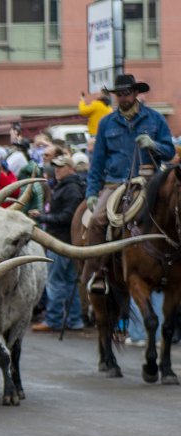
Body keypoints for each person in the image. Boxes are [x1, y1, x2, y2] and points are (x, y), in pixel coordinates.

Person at [82, 74, 174, 293]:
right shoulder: (106, 123)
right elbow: (97, 162)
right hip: (115, 184)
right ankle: (98, 273)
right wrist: (92, 193)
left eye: (126, 93)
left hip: (150, 181)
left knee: (173, 211)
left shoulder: (155, 119)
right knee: (96, 221)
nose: (122, 98)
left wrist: (154, 145)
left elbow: (169, 152)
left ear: (135, 93)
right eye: (119, 94)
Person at [31, 153, 85, 333]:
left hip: (60, 242)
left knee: (55, 282)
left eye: (60, 167)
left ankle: (53, 320)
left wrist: (44, 218)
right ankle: (74, 320)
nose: (57, 170)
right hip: (68, 242)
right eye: (55, 167)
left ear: (70, 168)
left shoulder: (70, 189)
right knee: (69, 283)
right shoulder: (70, 186)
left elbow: (68, 217)